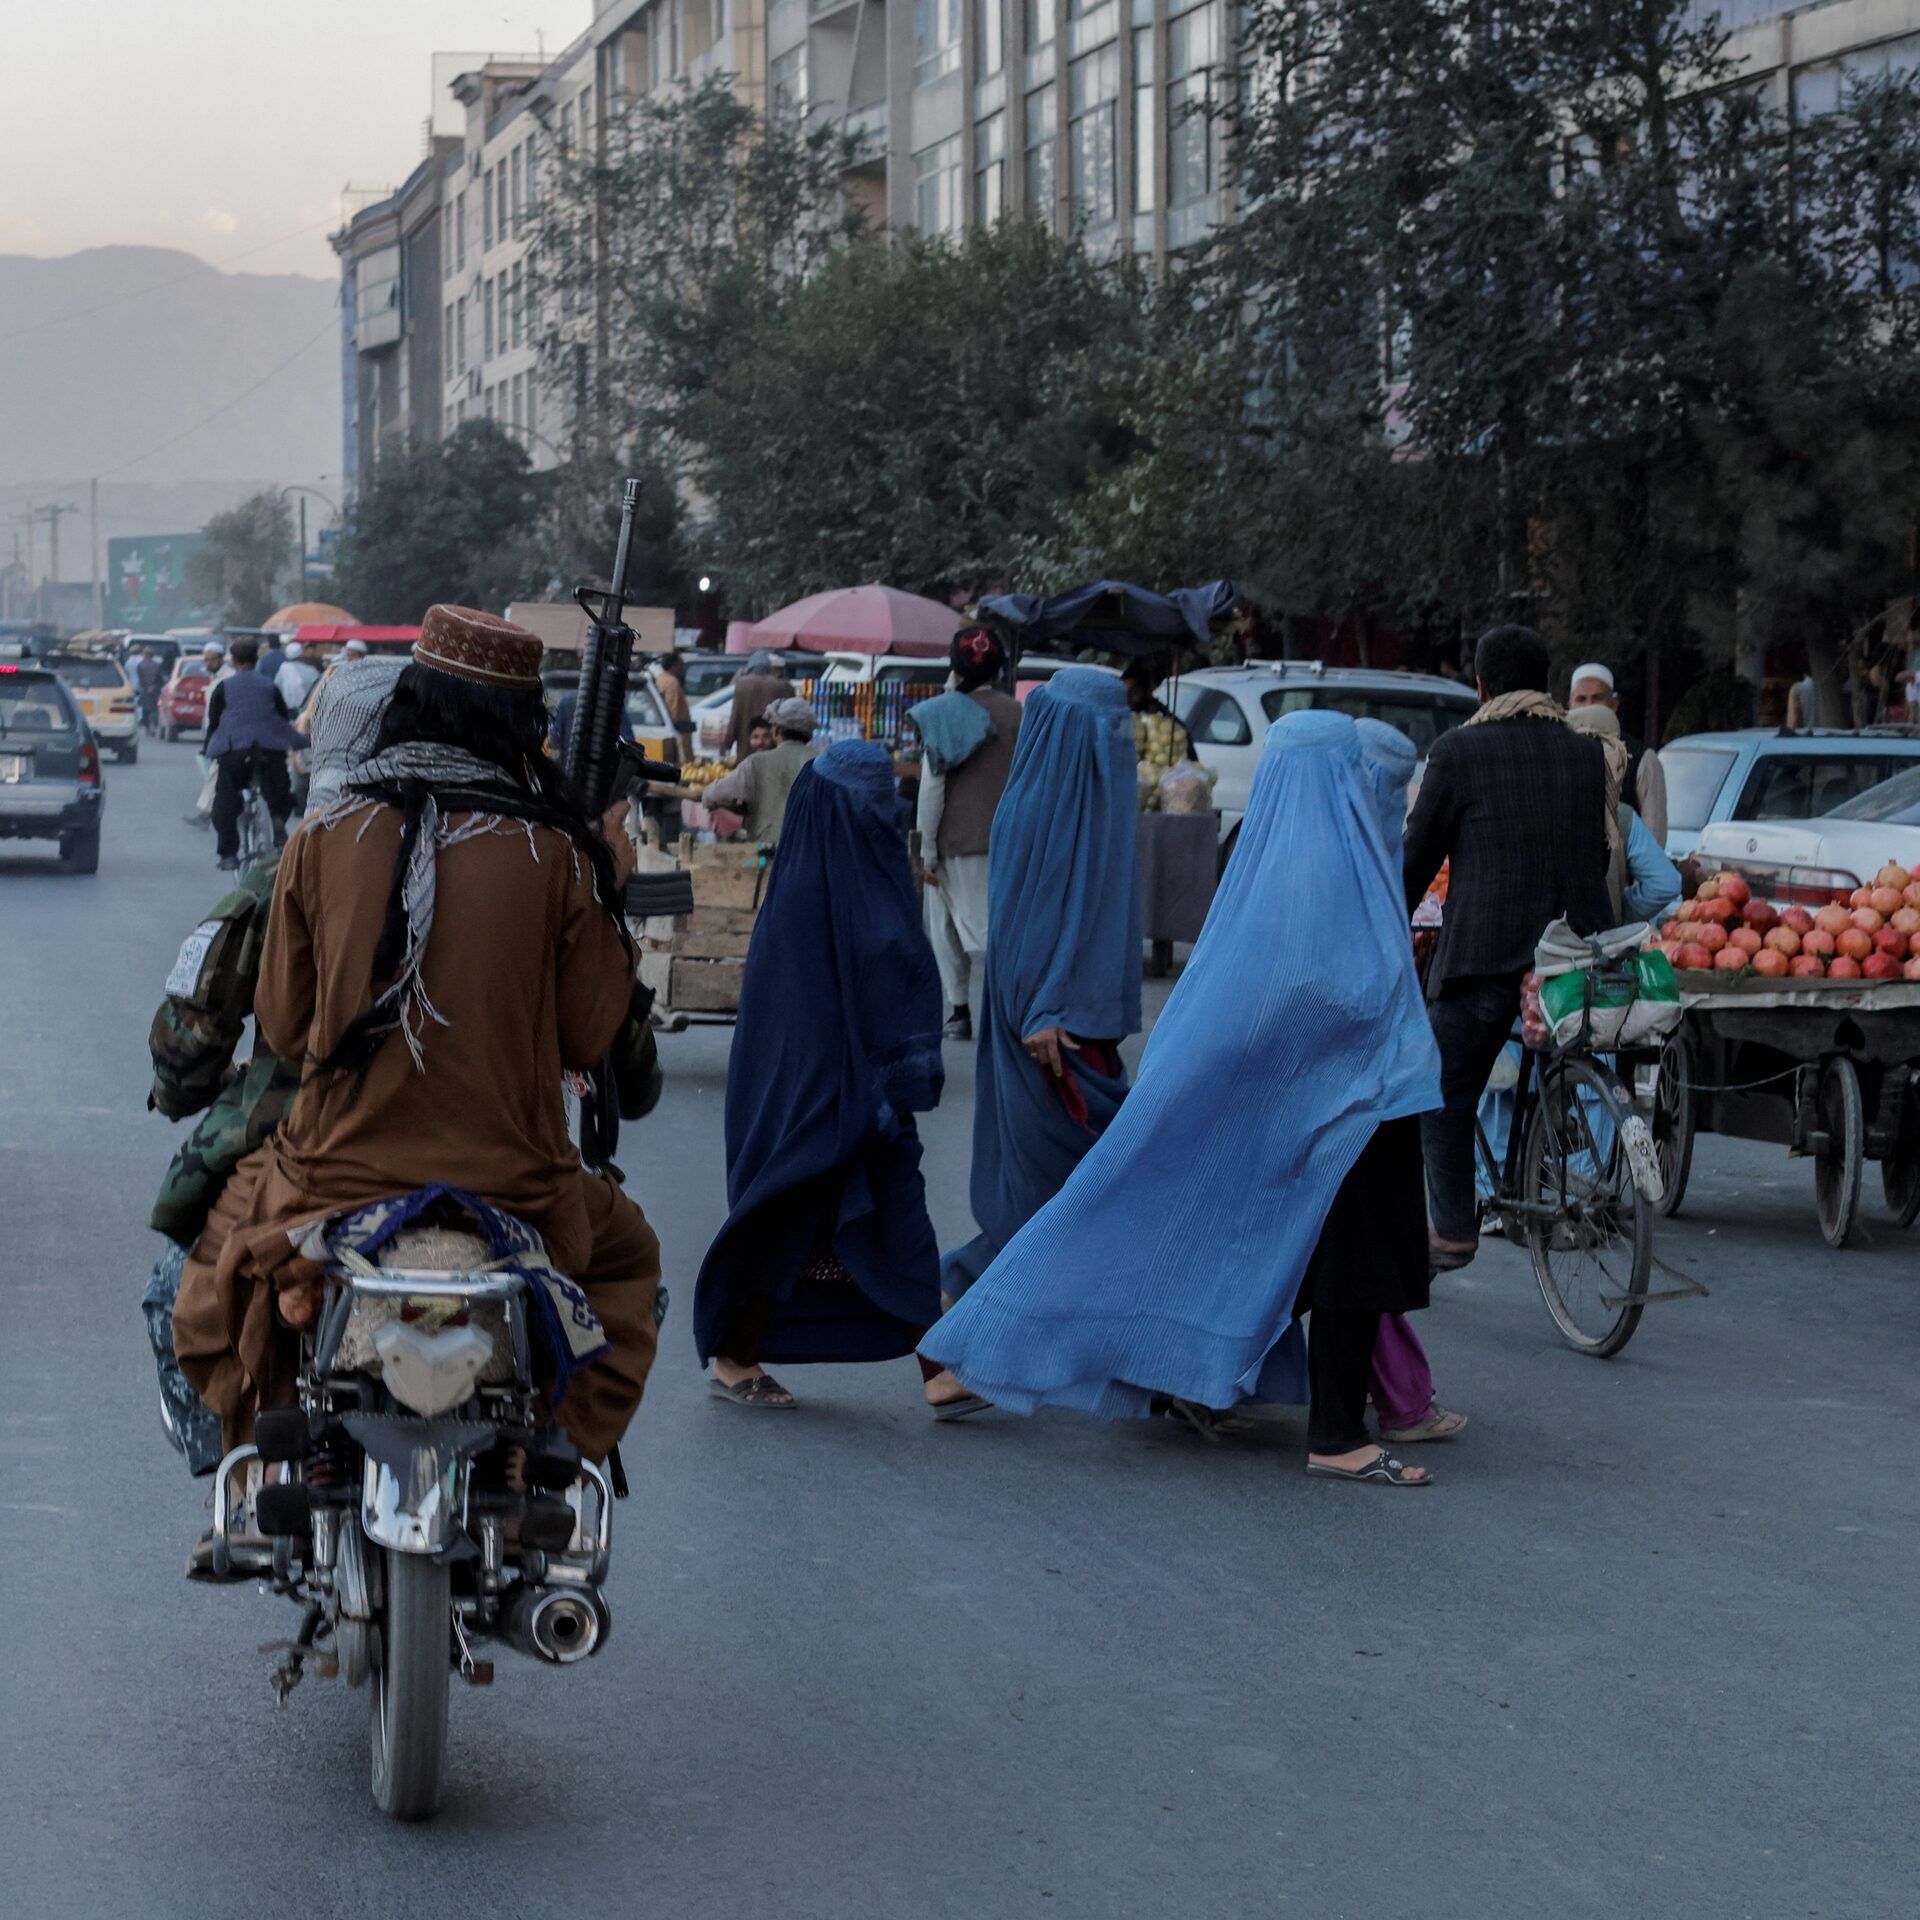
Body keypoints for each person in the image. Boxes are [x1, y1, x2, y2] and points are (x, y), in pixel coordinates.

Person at [171, 606, 664, 1501]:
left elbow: (282, 1030)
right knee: (628, 1258)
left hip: (328, 1180)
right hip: (521, 1188)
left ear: (414, 700)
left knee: (212, 1270)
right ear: (521, 726)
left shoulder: (322, 837)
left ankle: (267, 1471)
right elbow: (593, 1038)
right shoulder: (559, 853)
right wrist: (612, 885)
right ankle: (556, 1454)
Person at [921, 712, 1445, 1481]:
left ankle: (1302, 1417)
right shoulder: (1327, 866)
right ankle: (1333, 1436)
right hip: (1345, 1105)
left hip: (1327, 1105)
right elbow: (1321, 992)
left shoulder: (1284, 855)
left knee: (1251, 1253)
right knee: (1317, 1260)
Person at [694, 740, 977, 1415]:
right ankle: (737, 1356)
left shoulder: (860, 879)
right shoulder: (803, 904)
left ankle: (937, 1363)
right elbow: (798, 1025)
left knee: (885, 1221)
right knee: (796, 1223)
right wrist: (849, 1098)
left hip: (864, 1100)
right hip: (820, 1104)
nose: (877, 814)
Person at [1406, 625, 1612, 1274]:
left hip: (1484, 959)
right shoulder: (1585, 754)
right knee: (1547, 1071)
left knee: (1442, 1088)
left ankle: (1455, 1231)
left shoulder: (1458, 751)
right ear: (1548, 685)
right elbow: (1598, 854)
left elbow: (1417, 863)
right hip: (1571, 958)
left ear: (1482, 686)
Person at [940, 668, 1141, 1305]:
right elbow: (1023, 931)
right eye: (1107, 728)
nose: (1120, 740)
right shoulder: (1039, 809)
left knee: (1071, 1194)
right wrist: (1042, 1009)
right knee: (1063, 1194)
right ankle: (964, 1327)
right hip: (1048, 1031)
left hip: (1084, 1025)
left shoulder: (1083, 803)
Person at [911, 626, 1024, 1041]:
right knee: (990, 927)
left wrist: (925, 850)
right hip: (1010, 839)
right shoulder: (1018, 713)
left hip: (957, 841)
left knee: (954, 929)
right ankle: (987, 1012)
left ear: (955, 667)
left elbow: (932, 788)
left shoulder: (943, 711)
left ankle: (966, 1013)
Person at [1565, 704, 1683, 923]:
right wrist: (1619, 908)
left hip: (1549, 947)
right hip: (1605, 945)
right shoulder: (1622, 815)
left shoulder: (1540, 808)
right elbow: (1665, 884)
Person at [204, 634, 303, 870]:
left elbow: (215, 722)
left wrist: (209, 747)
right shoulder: (269, 686)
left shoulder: (224, 687)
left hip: (235, 754)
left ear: (234, 660)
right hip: (269, 752)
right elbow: (281, 717)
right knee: (280, 794)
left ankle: (228, 854)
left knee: (225, 802)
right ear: (256, 658)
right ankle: (278, 821)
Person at [1568, 661, 1668, 845]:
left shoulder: (1643, 759)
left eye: (1597, 698)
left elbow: (1654, 841)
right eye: (1581, 699)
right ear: (1570, 705)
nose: (1589, 706)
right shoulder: (1559, 753)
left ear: (1614, 704)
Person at [702, 695, 818, 843]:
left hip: (768, 851)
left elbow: (712, 796)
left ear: (776, 732)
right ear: (809, 734)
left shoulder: (755, 762)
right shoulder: (822, 762)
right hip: (809, 851)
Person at [1121, 656, 1195, 762]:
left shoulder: (1165, 724)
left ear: (1140, 692)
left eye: (1131, 692)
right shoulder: (1116, 721)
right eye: (1122, 692)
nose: (1126, 697)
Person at [725, 649, 791, 755]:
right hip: (773, 745)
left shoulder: (742, 684)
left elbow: (735, 718)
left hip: (747, 745)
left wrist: (726, 745)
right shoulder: (782, 685)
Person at [656, 651, 695, 769]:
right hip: (678, 731)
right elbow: (673, 709)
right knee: (683, 764)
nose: (683, 668)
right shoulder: (672, 682)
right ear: (674, 665)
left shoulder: (660, 679)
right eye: (681, 664)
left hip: (671, 729)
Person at [274, 638, 320, 716]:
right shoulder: (312, 671)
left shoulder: (282, 670)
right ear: (301, 655)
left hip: (288, 712)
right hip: (308, 713)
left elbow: (276, 689)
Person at [135, 645, 166, 734]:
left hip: (145, 690)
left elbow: (140, 678)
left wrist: (145, 687)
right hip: (155, 690)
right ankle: (154, 726)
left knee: (145, 710)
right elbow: (160, 679)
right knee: (154, 709)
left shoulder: (140, 665)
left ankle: (147, 727)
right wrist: (155, 686)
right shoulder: (157, 665)